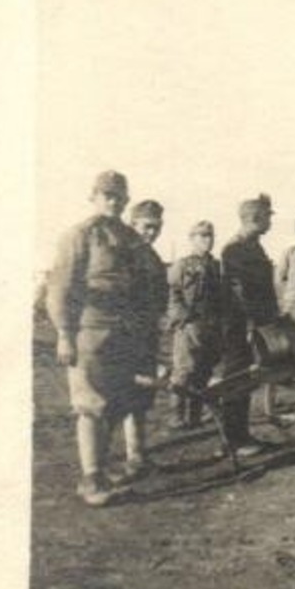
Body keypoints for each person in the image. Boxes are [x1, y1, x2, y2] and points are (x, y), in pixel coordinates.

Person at [45, 171, 146, 506]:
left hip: (123, 334)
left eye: (119, 196)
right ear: (94, 197)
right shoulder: (79, 235)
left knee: (115, 405)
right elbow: (59, 287)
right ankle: (91, 481)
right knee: (90, 405)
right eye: (107, 195)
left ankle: (99, 472)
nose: (114, 201)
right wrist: (63, 333)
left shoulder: (130, 237)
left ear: (127, 200)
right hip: (89, 332)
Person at [218, 194, 280, 457]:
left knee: (243, 380)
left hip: (251, 323)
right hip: (239, 326)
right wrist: (255, 324)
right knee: (236, 381)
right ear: (255, 219)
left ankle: (241, 436)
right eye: (268, 216)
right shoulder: (235, 249)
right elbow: (240, 292)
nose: (270, 222)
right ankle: (235, 440)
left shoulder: (253, 246)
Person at [123, 199, 168, 477]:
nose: (152, 232)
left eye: (157, 227)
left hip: (147, 334)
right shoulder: (124, 254)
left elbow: (161, 293)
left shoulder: (151, 257)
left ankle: (137, 455)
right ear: (133, 223)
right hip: (127, 335)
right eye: (147, 226)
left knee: (140, 397)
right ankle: (117, 462)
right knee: (122, 396)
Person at [167, 220, 224, 431]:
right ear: (192, 239)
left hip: (211, 325)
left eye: (210, 235)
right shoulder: (182, 265)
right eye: (202, 236)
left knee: (203, 370)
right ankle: (176, 416)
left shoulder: (216, 265)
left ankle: (195, 416)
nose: (208, 240)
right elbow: (172, 294)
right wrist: (184, 319)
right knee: (184, 371)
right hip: (188, 325)